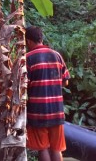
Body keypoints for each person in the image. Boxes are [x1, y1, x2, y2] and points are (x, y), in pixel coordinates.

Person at [25, 26, 70, 161]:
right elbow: (65, 82)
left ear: (28, 41)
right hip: (56, 110)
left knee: (42, 147)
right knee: (56, 148)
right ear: (41, 39)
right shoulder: (57, 55)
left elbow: (24, 85)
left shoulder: (28, 58)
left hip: (38, 112)